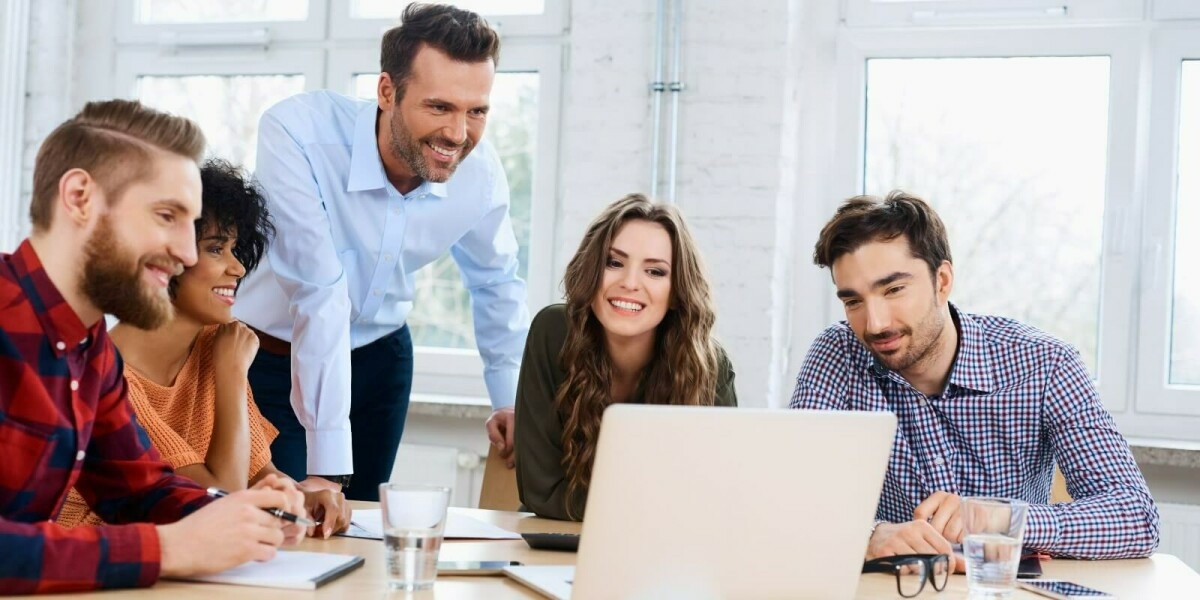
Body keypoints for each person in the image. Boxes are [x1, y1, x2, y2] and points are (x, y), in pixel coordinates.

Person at [0, 100, 305, 594]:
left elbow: (141, 490)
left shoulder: (90, 348)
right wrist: (168, 549)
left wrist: (235, 513)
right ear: (79, 198)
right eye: (167, 215)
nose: (186, 252)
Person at [234, 2, 529, 501]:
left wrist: (513, 402)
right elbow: (319, 292)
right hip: (263, 359)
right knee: (284, 518)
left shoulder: (480, 176)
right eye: (439, 107)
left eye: (475, 111)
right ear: (387, 92)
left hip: (379, 357)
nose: (458, 135)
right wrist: (328, 469)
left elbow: (496, 282)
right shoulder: (298, 133)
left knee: (363, 521)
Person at [790, 191, 1159, 567]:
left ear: (943, 280)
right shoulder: (838, 353)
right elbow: (789, 497)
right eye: (853, 301)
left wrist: (994, 520)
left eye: (894, 289)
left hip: (1001, 590)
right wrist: (870, 534)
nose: (875, 323)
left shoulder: (1045, 364)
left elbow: (1136, 518)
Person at [56, 160, 352, 538]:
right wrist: (231, 375)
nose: (239, 268)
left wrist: (305, 497)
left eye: (234, 248)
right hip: (96, 577)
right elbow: (219, 505)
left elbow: (261, 477)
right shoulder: (105, 373)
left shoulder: (214, 345)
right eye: (216, 249)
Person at [514, 194, 738, 521]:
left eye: (655, 271)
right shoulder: (553, 334)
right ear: (591, 270)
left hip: (660, 552)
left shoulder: (710, 366)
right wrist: (657, 507)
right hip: (557, 541)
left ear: (677, 292)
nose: (630, 283)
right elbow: (541, 491)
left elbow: (715, 494)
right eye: (614, 263)